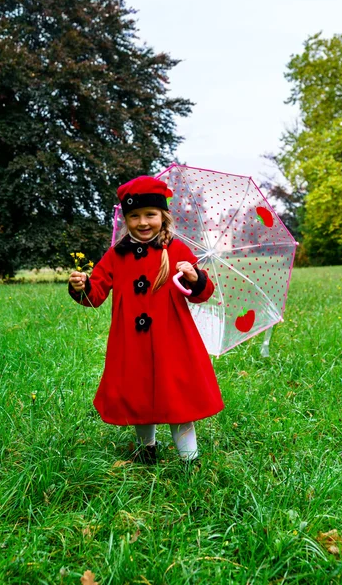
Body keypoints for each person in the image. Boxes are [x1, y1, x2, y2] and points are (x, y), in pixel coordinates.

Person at [68, 175, 224, 466]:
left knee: (177, 399)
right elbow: (97, 294)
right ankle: (146, 451)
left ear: (163, 216)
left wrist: (194, 277)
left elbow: (204, 293)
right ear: (125, 219)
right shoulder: (117, 255)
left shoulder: (177, 250)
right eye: (134, 216)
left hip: (172, 341)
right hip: (132, 342)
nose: (142, 222)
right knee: (139, 394)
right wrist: (83, 287)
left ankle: (190, 461)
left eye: (150, 215)